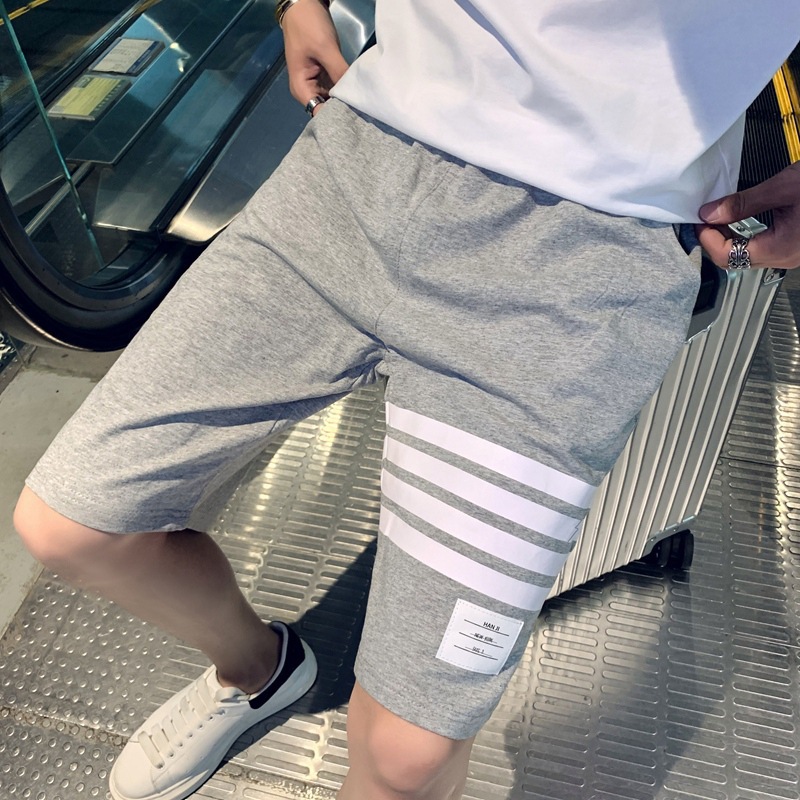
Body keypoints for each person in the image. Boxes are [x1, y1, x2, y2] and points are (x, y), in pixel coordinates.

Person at [12, 2, 800, 799]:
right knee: (73, 522)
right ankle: (259, 672)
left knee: (406, 755)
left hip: (592, 251)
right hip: (358, 165)